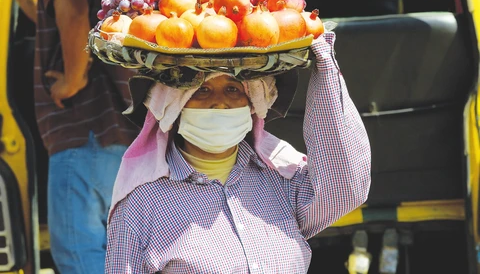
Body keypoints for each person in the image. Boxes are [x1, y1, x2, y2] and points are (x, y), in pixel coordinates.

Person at [104, 30, 372, 273]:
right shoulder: (141, 205)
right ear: (175, 109)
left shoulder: (281, 182)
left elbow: (344, 188)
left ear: (252, 104)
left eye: (232, 89)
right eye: (201, 91)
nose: (219, 103)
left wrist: (324, 66)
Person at [2, 0, 140, 272]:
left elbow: (74, 12)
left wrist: (71, 80)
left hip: (82, 132)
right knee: (120, 255)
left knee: (78, 255)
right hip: (117, 133)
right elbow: (51, 10)